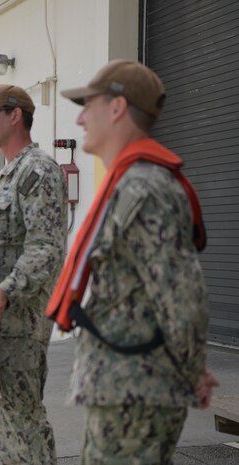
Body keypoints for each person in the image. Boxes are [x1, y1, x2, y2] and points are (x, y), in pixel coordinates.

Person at [47, 59, 219, 464]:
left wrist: (193, 369)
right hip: (124, 384)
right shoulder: (130, 182)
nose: (81, 117)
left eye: (88, 104)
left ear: (117, 108)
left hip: (136, 391)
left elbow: (182, 297)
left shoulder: (144, 188)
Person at [0, 84, 67, 464]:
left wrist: (7, 290)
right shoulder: (4, 176)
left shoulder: (37, 170)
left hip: (19, 322)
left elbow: (47, 248)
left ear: (16, 115)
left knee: (22, 421)